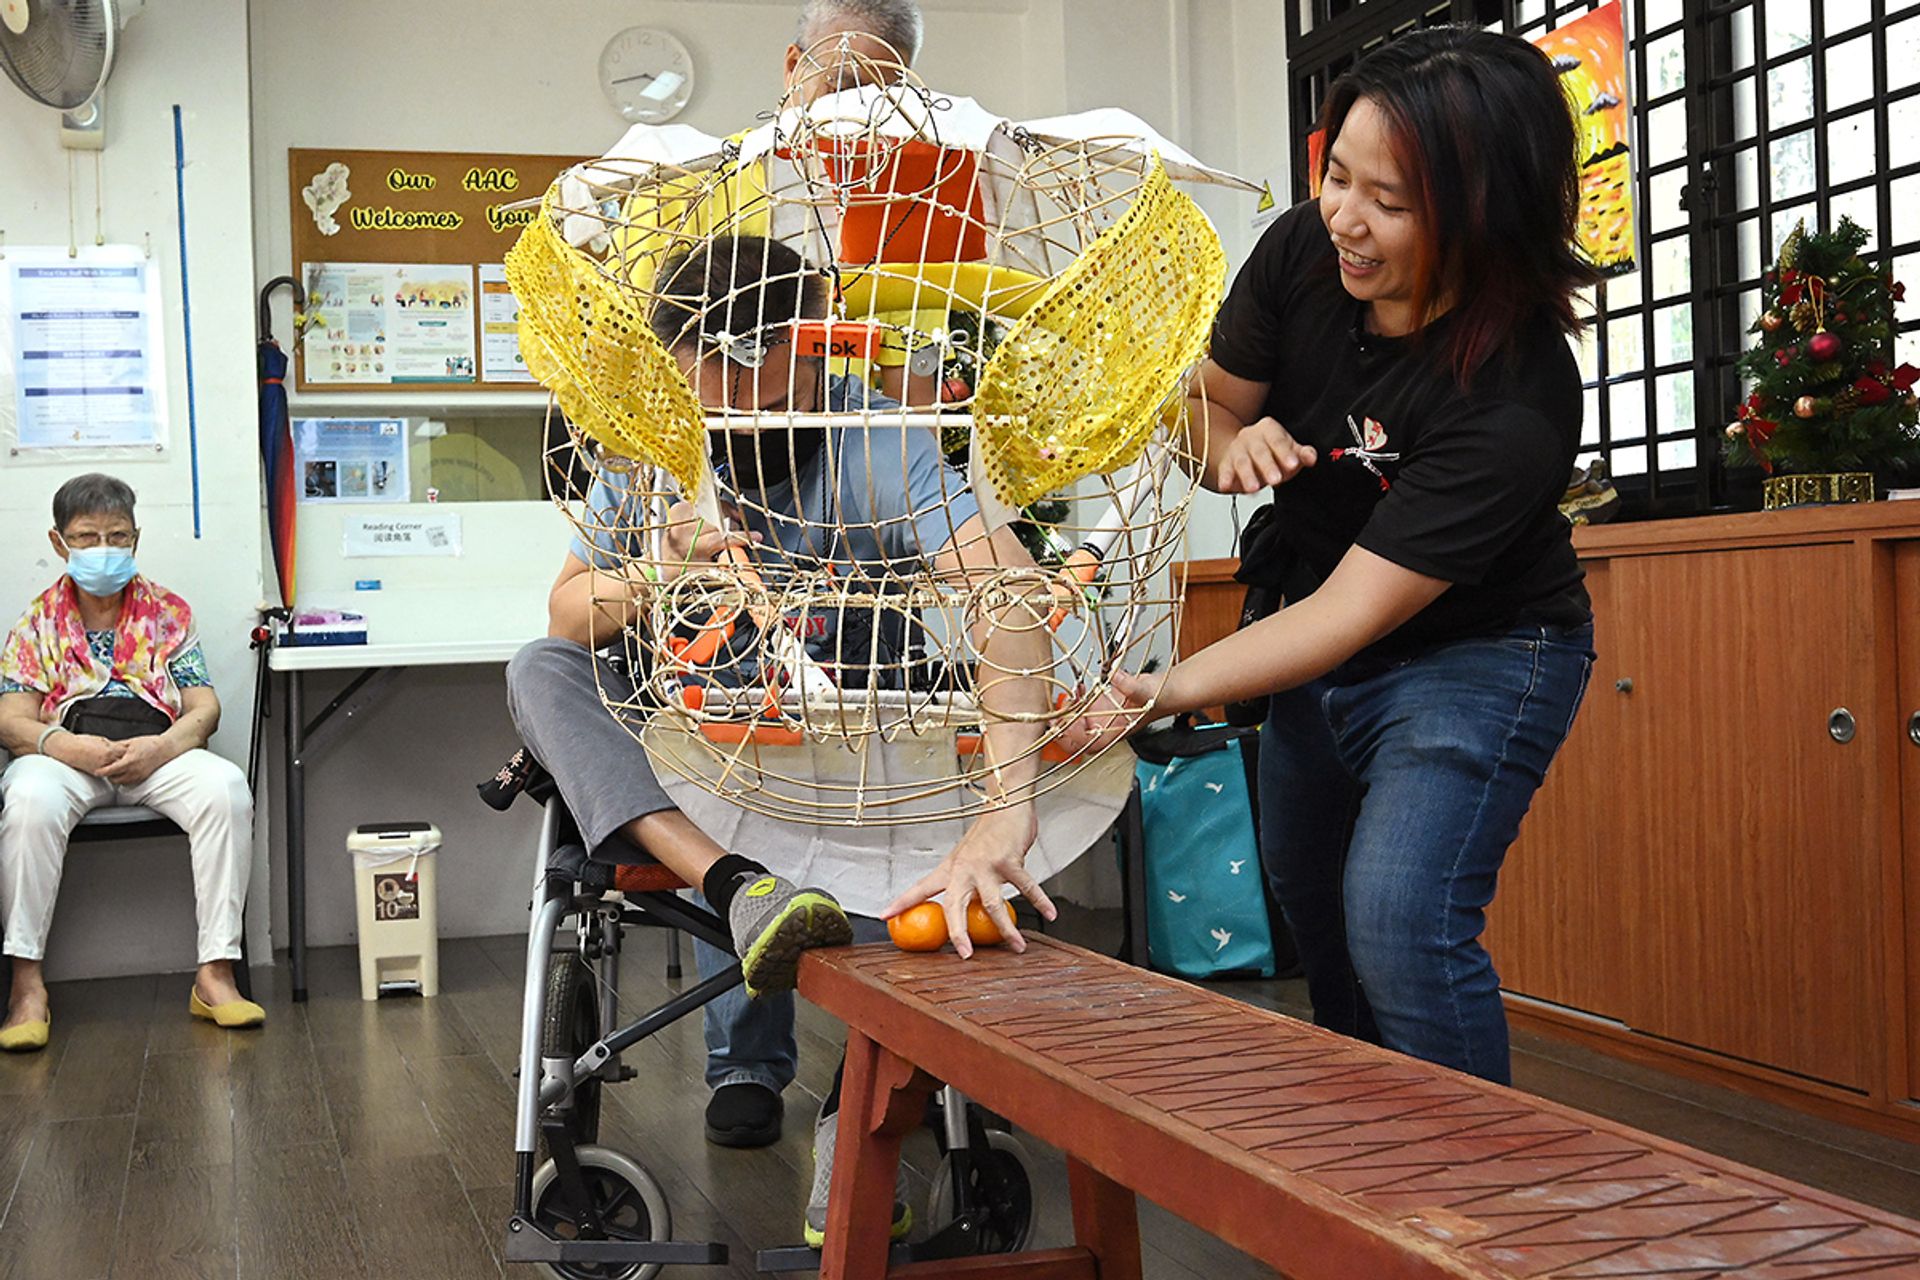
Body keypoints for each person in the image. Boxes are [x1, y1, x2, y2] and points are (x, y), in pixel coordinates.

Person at [1057, 26, 1598, 1086]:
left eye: (1389, 203)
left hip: (1481, 654)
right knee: (1314, 905)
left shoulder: (1515, 397)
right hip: (1313, 630)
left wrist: (1161, 690)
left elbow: (1352, 612)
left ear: (1485, 217)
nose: (1345, 218)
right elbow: (1198, 412)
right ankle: (1370, 1155)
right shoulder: (1306, 248)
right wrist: (1226, 444)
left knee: (1401, 915)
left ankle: (1467, 1210)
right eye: (1336, 174)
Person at [507, 232, 1049, 1240]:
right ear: (671, 361)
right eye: (707, 368)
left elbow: (1010, 601)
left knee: (939, 838)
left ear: (814, 347)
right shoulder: (654, 447)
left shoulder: (879, 440)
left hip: (856, 743)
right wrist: (658, 570)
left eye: (756, 360)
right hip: (699, 751)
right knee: (538, 672)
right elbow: (568, 614)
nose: (733, 390)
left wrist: (1006, 808)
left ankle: (864, 1102)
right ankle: (733, 905)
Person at [0, 474, 261, 1052]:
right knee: (27, 801)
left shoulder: (168, 613)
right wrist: (68, 747)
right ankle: (25, 987)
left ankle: (215, 974)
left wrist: (161, 748)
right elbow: (12, 720)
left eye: (117, 537)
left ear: (136, 538)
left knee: (226, 790)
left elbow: (204, 707)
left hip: (154, 750)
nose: (103, 550)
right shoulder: (36, 622)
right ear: (57, 541)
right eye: (86, 538)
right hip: (65, 755)